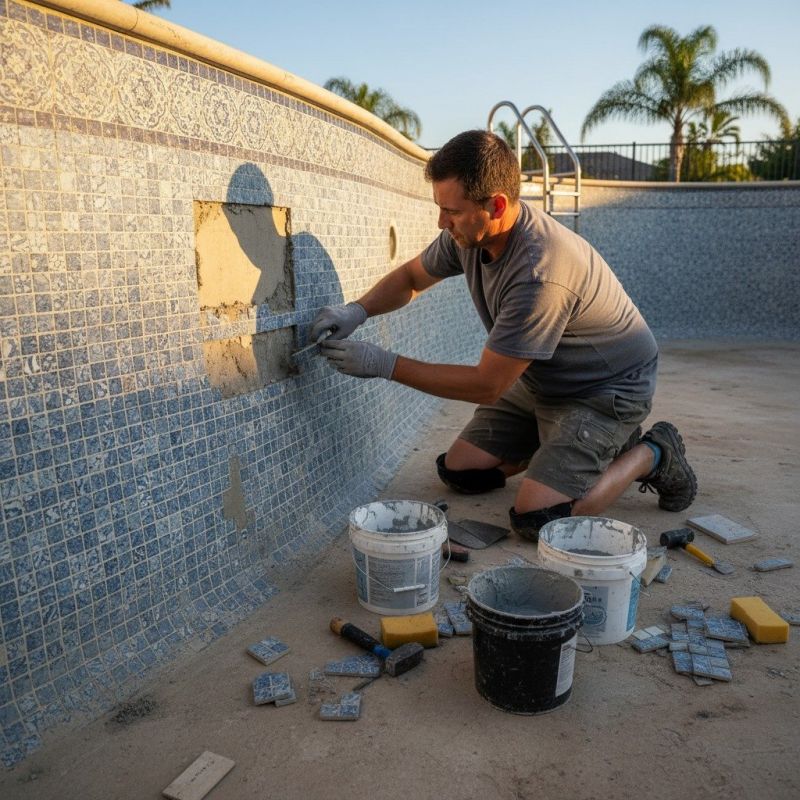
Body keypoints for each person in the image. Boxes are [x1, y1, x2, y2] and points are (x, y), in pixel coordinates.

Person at [310, 130, 697, 541]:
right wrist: (357, 310)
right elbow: (410, 277)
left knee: (541, 518)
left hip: (607, 390)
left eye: (451, 212)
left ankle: (652, 452)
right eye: (440, 208)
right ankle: (577, 447)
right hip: (543, 379)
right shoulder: (469, 235)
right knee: (459, 471)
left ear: (495, 205)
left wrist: (383, 364)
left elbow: (487, 385)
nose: (442, 223)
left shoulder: (538, 272)